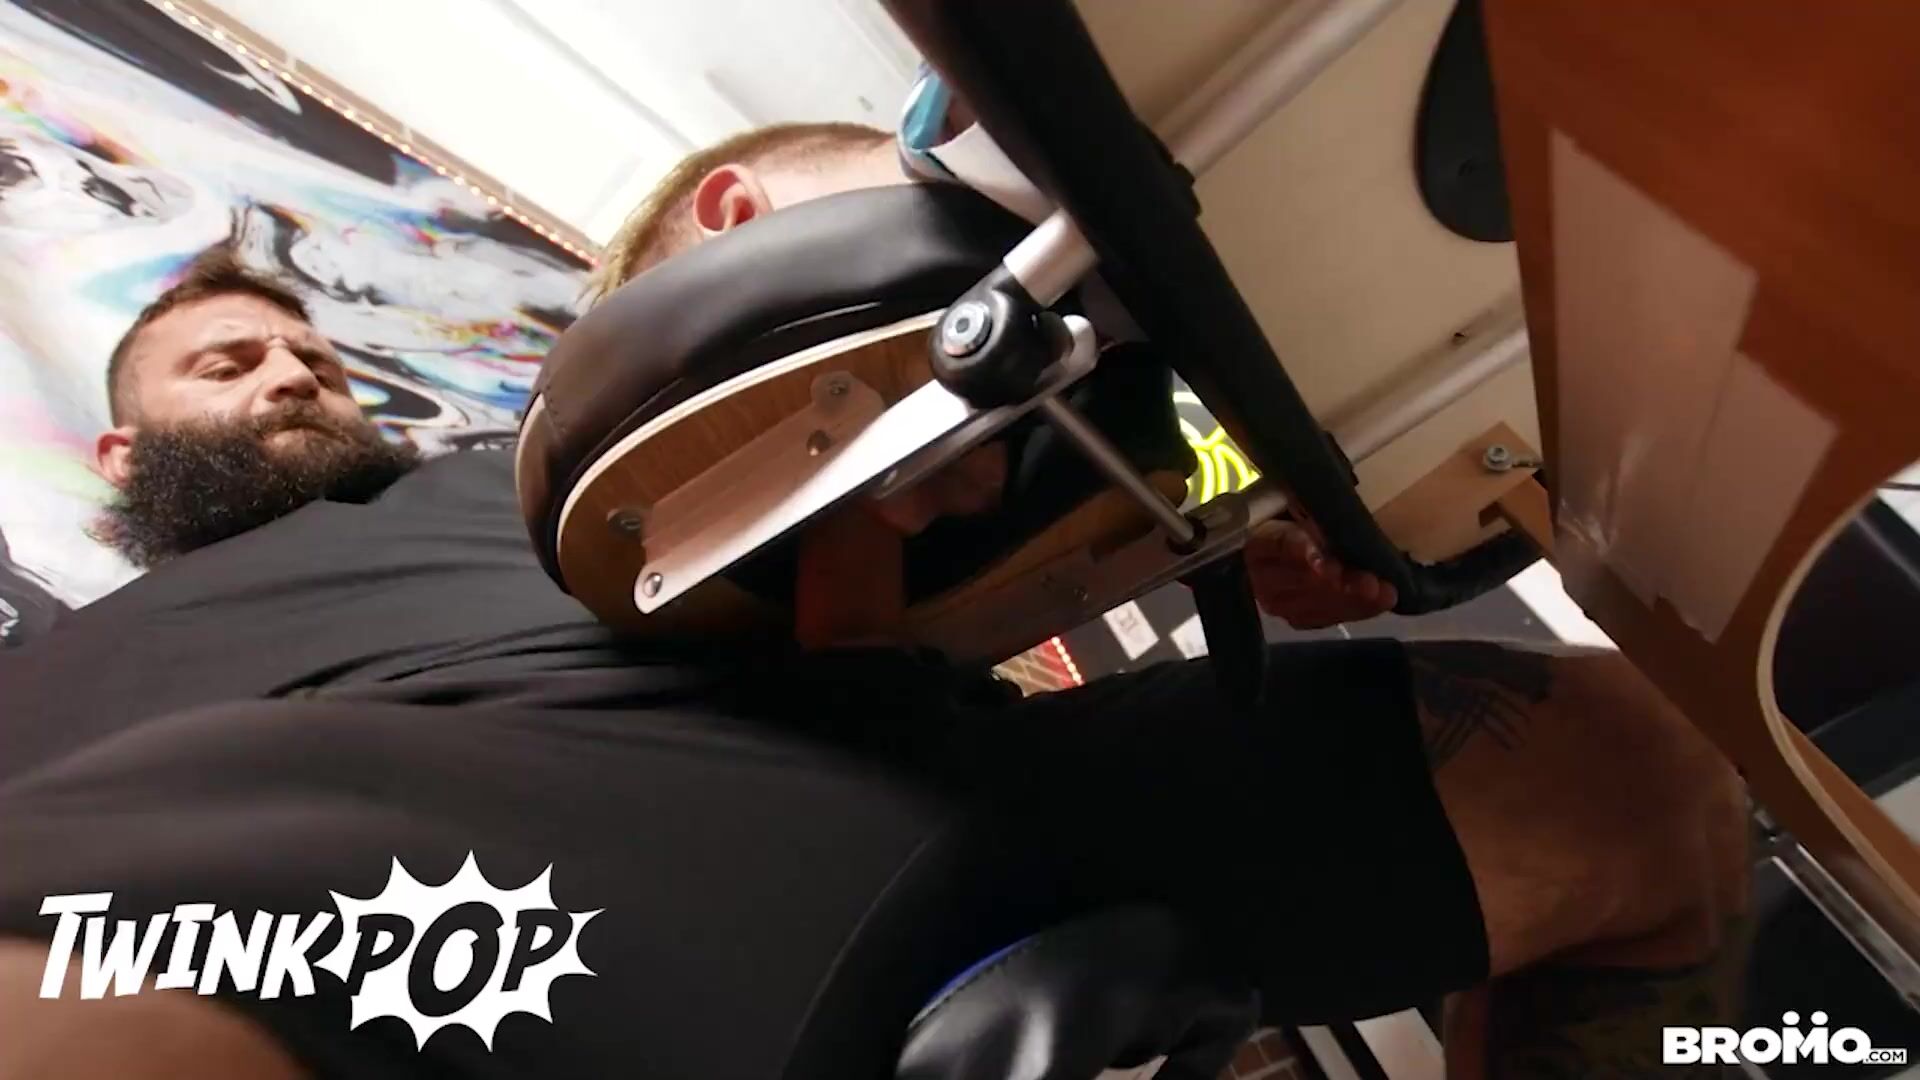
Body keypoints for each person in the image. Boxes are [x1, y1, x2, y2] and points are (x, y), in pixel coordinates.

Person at [0, 124, 1748, 1080]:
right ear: (122, 449)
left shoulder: (525, 476)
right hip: (391, 820)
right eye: (228, 364)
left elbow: (1075, 487)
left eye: (310, 354)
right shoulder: (79, 661)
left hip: (893, 784)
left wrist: (1245, 520)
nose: (294, 374)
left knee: (1640, 779)